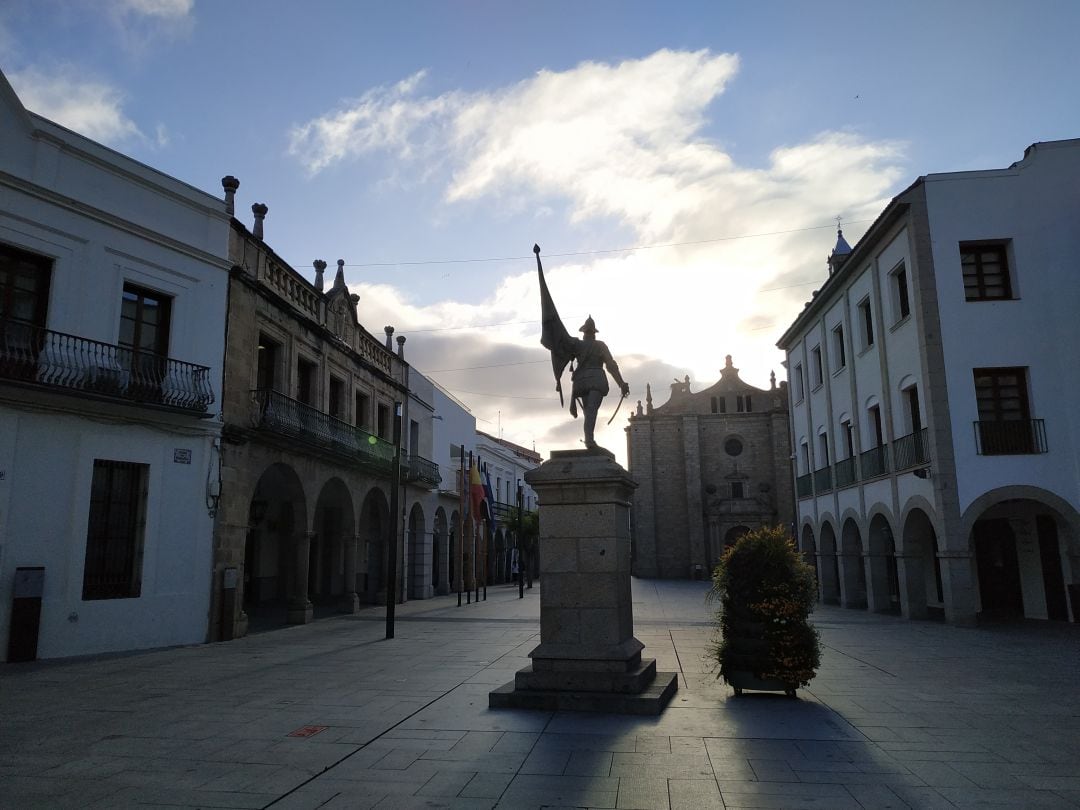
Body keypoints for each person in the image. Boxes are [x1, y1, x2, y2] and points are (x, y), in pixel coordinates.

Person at [569, 316, 630, 449]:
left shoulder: (577, 345)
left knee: (588, 412)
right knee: (591, 410)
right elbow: (611, 366)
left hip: (581, 381)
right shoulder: (600, 345)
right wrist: (621, 383)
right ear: (594, 333)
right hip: (596, 379)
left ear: (584, 332)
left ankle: (588, 439)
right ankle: (589, 441)